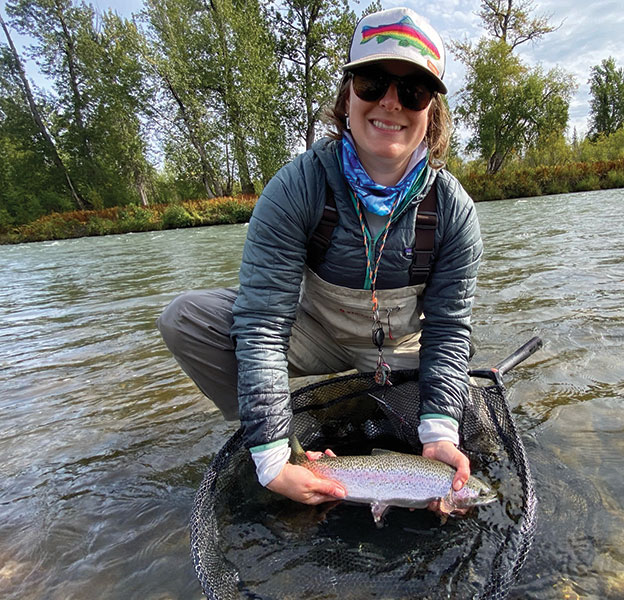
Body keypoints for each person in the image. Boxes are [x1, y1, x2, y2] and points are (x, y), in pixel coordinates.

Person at [157, 7, 482, 508]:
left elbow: (449, 329)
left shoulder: (454, 210)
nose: (391, 102)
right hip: (315, 335)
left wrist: (440, 431)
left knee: (466, 410)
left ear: (431, 112)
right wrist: (272, 457)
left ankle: (391, 417)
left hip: (401, 346)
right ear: (347, 95)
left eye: (413, 90)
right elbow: (264, 322)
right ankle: (282, 435)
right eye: (373, 82)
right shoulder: (297, 187)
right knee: (186, 320)